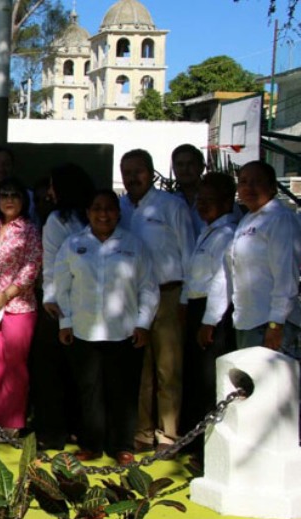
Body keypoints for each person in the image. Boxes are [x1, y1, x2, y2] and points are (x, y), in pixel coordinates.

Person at [55, 189, 159, 466]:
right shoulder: (73, 244)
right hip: (83, 330)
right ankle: (91, 444)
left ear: (118, 213)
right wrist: (65, 322)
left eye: (110, 209)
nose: (103, 214)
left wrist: (143, 323)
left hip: (124, 331)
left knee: (122, 392)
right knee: (89, 392)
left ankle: (121, 446)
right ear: (88, 213)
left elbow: (148, 288)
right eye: (97, 208)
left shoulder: (134, 245)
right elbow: (61, 288)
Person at [118, 148, 195, 454]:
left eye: (138, 171)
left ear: (151, 173)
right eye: (126, 172)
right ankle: (142, 431)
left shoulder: (170, 205)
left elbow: (189, 251)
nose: (132, 177)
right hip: (131, 299)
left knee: (168, 369)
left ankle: (168, 434)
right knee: (140, 369)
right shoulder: (120, 207)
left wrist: (185, 300)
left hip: (168, 294)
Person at [205, 161, 301, 354]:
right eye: (243, 182)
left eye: (257, 181)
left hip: (272, 325)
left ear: (272, 186)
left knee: (275, 384)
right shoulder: (247, 219)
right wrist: (210, 318)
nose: (249, 187)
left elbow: (286, 276)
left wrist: (276, 324)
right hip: (246, 323)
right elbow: (228, 274)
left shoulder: (280, 219)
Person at [35, 163, 95, 450]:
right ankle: (56, 431)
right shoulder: (57, 220)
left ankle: (79, 429)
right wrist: (50, 298)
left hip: (86, 302)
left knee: (80, 373)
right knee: (57, 372)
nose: (49, 193)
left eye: (53, 186)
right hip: (59, 304)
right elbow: (51, 262)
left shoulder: (92, 215)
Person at [181, 172, 238, 461]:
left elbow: (221, 281)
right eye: (199, 200)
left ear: (227, 201)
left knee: (209, 383)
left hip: (212, 314)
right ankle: (194, 445)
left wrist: (209, 320)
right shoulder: (208, 230)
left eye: (209, 200)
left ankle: (209, 453)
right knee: (194, 380)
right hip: (195, 309)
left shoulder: (227, 234)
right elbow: (193, 274)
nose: (202, 206)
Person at [0, 177, 42, 437]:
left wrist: (6, 295)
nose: (8, 199)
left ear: (23, 200)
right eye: (4, 195)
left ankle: (14, 423)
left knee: (15, 365)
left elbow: (31, 267)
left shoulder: (29, 230)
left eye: (14, 195)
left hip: (19, 305)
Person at [170, 144, 207, 234]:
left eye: (190, 164)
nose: (185, 169)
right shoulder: (170, 202)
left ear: (202, 167)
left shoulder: (217, 200)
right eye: (180, 164)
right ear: (174, 168)